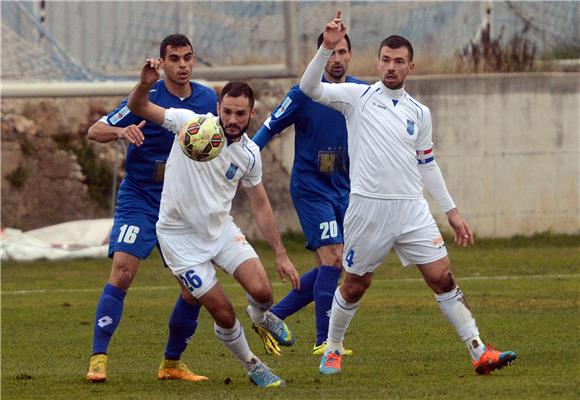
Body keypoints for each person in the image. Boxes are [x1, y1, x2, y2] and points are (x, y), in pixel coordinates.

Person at [299, 12, 517, 376]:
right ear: (378, 62)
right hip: (368, 210)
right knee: (355, 285)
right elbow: (310, 89)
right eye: (385, 59)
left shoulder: (420, 112)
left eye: (399, 61)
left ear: (410, 67)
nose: (391, 66)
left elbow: (427, 164)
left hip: (412, 211)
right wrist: (326, 46)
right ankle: (332, 348)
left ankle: (478, 350)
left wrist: (451, 211)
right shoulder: (357, 97)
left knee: (443, 278)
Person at [127, 57, 301, 388]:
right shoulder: (189, 124)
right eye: (227, 111)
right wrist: (146, 82)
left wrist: (280, 252)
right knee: (223, 312)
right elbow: (139, 106)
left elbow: (260, 204)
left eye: (240, 114)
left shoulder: (250, 155)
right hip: (179, 239)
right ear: (218, 108)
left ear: (252, 115)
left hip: (220, 230)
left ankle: (260, 315)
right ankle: (252, 364)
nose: (232, 120)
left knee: (263, 291)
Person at [86, 34, 218, 383]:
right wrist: (121, 131)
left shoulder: (207, 98)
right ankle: (98, 357)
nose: (182, 65)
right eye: (174, 59)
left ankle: (171, 363)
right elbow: (95, 130)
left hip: (180, 203)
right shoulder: (146, 96)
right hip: (141, 197)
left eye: (187, 57)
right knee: (124, 270)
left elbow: (220, 139)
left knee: (193, 287)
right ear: (163, 62)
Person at [251, 33, 366, 356]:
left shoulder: (360, 92)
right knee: (333, 258)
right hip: (311, 188)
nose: (337, 59)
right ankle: (325, 342)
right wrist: (244, 156)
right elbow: (270, 126)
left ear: (351, 55)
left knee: (331, 267)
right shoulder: (305, 92)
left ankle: (272, 317)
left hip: (345, 187)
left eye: (343, 52)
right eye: (331, 53)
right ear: (321, 56)